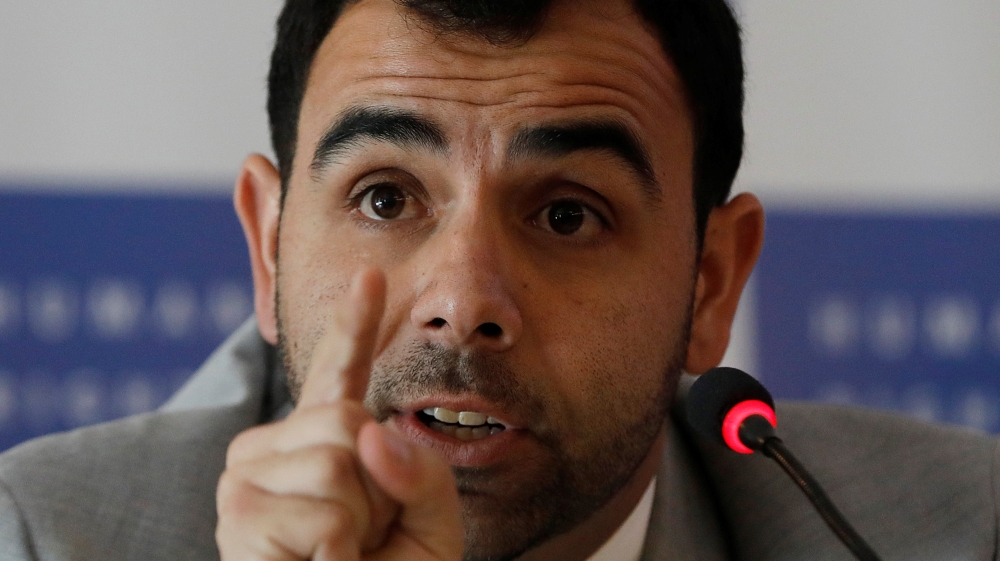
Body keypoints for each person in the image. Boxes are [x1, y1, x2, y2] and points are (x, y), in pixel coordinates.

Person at [1, 0, 997, 560]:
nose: (463, 300)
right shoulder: (47, 538)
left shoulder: (950, 531)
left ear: (711, 282)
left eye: (568, 215)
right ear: (269, 247)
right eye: (385, 198)